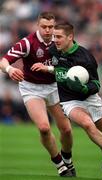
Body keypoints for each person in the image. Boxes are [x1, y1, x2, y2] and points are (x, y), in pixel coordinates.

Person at [33, 22, 102, 180]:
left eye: (59, 37)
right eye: (54, 36)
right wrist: (47, 68)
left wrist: (84, 89)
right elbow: (60, 69)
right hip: (70, 101)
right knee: (87, 124)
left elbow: (96, 84)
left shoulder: (86, 57)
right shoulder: (53, 50)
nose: (55, 40)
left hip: (90, 98)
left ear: (70, 37)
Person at [0, 13, 76, 177]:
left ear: (54, 26)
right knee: (43, 127)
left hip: (54, 87)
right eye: (44, 27)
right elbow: (4, 60)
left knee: (67, 130)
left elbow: (74, 63)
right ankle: (60, 164)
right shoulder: (28, 43)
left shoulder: (61, 41)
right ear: (38, 26)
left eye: (51, 27)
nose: (48, 30)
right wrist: (10, 69)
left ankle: (68, 160)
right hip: (31, 88)